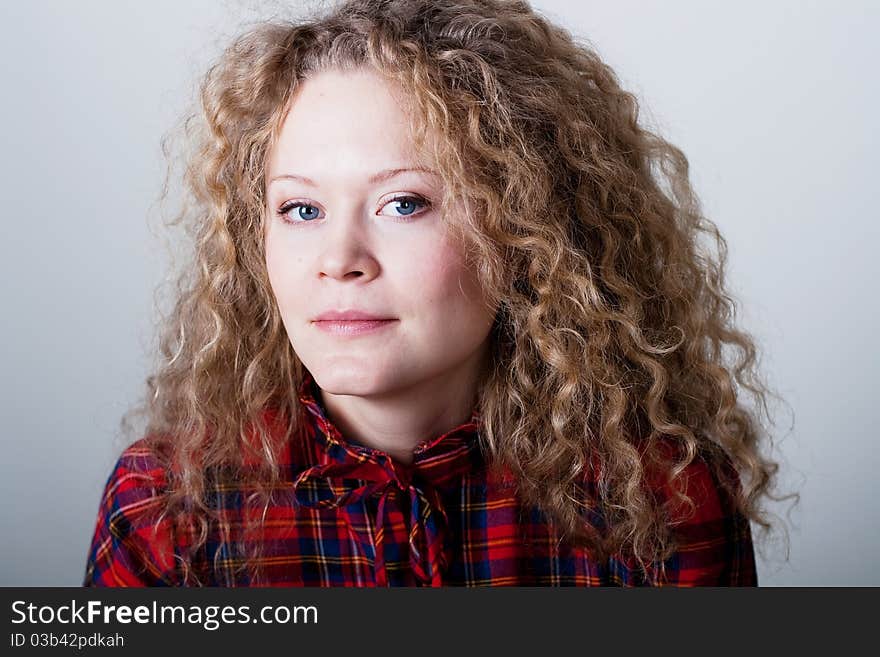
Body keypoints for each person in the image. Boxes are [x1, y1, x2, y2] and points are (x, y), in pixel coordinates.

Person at [83, 0, 788, 587]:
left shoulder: (662, 501)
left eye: (404, 204)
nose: (339, 260)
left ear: (523, 230)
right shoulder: (166, 512)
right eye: (301, 210)